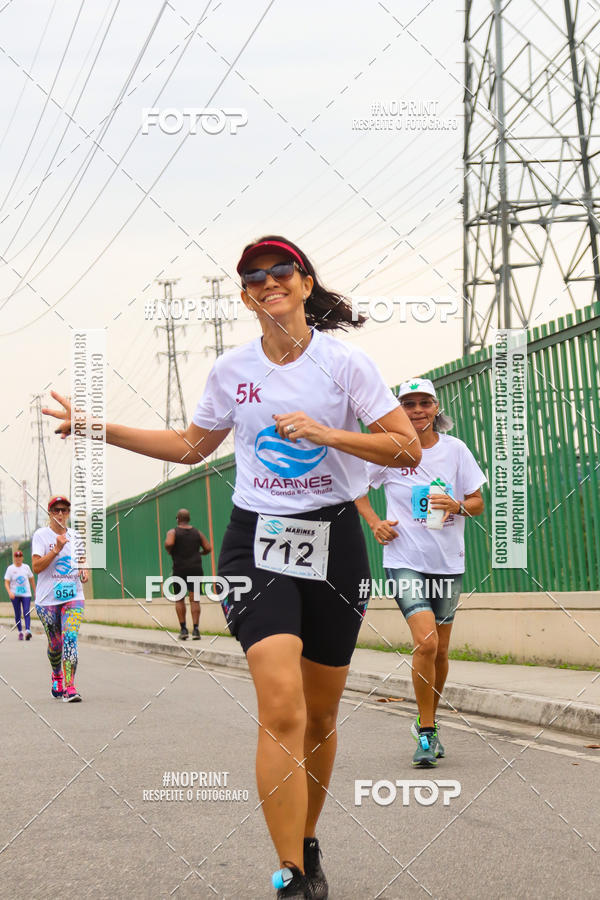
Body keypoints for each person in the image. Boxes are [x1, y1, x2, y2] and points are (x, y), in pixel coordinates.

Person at [44, 235, 421, 899]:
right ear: (246, 296)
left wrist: (330, 434)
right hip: (259, 542)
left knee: (322, 716)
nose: (268, 282)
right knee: (281, 706)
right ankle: (291, 876)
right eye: (254, 277)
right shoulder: (232, 371)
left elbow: (406, 448)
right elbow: (193, 446)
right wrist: (94, 427)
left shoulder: (346, 364)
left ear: (304, 283)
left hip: (335, 542)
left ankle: (306, 838)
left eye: (281, 271)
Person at [355, 378, 486, 767]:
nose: (416, 411)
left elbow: (478, 501)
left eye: (423, 403)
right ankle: (426, 733)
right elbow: (356, 489)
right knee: (426, 643)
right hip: (404, 560)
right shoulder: (391, 453)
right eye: (408, 405)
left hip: (448, 562)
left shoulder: (456, 450)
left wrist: (457, 505)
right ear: (399, 411)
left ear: (435, 408)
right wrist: (376, 522)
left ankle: (427, 720)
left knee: (441, 651)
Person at [31, 496, 88, 702]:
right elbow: (36, 567)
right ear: (50, 513)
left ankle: (70, 687)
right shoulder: (41, 536)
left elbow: (81, 559)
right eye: (56, 510)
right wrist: (55, 549)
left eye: (64, 510)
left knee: (70, 638)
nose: (61, 514)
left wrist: (84, 570)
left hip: (74, 596)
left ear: (68, 513)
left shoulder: (76, 536)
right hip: (47, 600)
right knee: (55, 644)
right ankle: (57, 674)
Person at [165, 508, 211, 640]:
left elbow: (169, 543)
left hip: (180, 569)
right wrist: (200, 554)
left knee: (179, 599)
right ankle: (196, 630)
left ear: (178, 519)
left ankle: (183, 629)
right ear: (189, 519)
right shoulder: (197, 533)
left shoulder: (173, 532)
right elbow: (208, 548)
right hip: (195, 569)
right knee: (195, 599)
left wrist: (170, 551)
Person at [4, 549, 35, 640]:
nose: (18, 558)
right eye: (16, 557)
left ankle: (28, 631)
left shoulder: (26, 567)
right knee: (18, 613)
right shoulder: (10, 569)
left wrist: (35, 591)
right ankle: (20, 631)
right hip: (15, 594)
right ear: (14, 558)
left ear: (22, 558)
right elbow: (6, 582)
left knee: (26, 611)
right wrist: (9, 592)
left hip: (26, 594)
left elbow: (32, 579)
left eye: (20, 556)